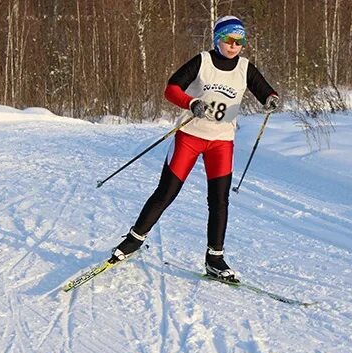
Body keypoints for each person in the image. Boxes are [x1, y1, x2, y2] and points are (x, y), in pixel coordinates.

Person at [108, 16, 279, 282]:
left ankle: (215, 258)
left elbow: (265, 91)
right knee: (167, 192)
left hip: (221, 141)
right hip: (190, 136)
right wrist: (190, 103)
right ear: (217, 39)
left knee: (219, 200)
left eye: (240, 41)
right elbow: (171, 89)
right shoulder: (203, 61)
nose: (234, 45)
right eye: (229, 39)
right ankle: (133, 240)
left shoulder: (246, 68)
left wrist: (271, 100)